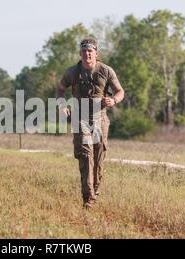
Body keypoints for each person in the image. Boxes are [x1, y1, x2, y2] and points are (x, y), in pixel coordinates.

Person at [56, 38, 124, 209]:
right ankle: (88, 199)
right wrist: (62, 105)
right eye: (84, 51)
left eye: (90, 51)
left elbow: (120, 91)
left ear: (96, 53)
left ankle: (95, 190)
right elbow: (60, 90)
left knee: (98, 156)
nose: (87, 54)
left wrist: (114, 100)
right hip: (80, 117)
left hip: (100, 117)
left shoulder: (106, 71)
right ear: (80, 53)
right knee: (86, 156)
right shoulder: (72, 72)